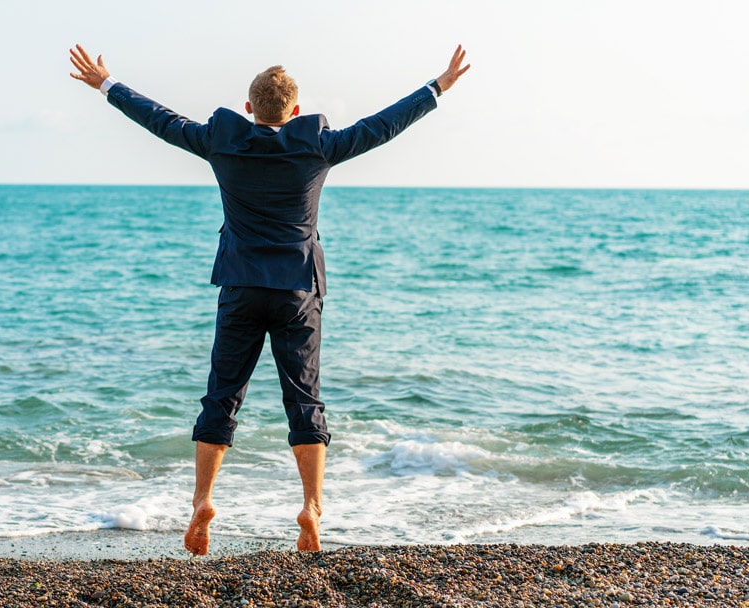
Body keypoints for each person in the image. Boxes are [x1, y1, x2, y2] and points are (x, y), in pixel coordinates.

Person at [69, 44, 470, 555]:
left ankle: (202, 502)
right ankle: (311, 506)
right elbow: (383, 124)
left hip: (240, 287)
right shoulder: (317, 147)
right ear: (296, 111)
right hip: (297, 291)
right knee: (304, 401)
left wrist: (107, 84)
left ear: (249, 108)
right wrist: (436, 88)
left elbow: (160, 120)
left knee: (222, 398)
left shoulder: (223, 142)